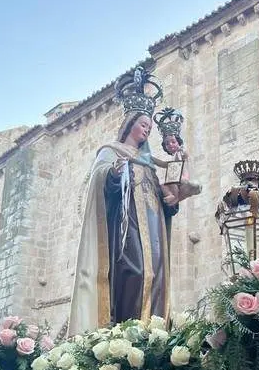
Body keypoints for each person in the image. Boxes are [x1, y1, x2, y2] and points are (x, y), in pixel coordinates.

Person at [70, 67, 178, 332]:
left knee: (156, 277)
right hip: (126, 228)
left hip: (153, 230)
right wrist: (116, 172)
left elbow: (160, 197)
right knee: (136, 273)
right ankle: (125, 331)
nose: (146, 131)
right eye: (143, 125)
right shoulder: (111, 151)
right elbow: (100, 181)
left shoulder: (150, 163)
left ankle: (152, 332)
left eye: (150, 128)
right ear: (130, 124)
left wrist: (171, 203)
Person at [153, 107, 201, 206]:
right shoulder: (173, 159)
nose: (170, 145)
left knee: (171, 175)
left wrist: (183, 151)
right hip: (175, 177)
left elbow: (186, 156)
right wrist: (151, 159)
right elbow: (163, 164)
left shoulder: (180, 152)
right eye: (167, 144)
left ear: (178, 142)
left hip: (183, 177)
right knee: (162, 185)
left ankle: (174, 196)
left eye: (173, 142)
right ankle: (171, 196)